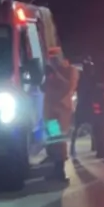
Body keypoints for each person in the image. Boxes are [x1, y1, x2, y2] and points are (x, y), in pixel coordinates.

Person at [43, 48, 79, 182]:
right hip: (51, 110)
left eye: (54, 56)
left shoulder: (70, 70)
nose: (52, 59)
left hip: (62, 110)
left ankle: (60, 170)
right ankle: (56, 168)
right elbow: (44, 87)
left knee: (59, 140)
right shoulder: (48, 70)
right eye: (50, 56)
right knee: (54, 138)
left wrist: (56, 73)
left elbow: (70, 86)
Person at [70, 56, 97, 157]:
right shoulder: (88, 79)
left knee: (82, 127)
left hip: (85, 104)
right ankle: (73, 148)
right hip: (85, 104)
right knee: (87, 126)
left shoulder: (83, 79)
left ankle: (92, 145)